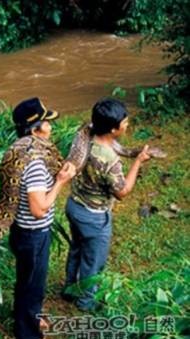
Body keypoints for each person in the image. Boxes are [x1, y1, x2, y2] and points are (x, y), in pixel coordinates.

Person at [62, 98, 151, 311]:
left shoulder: (87, 138)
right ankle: (86, 302)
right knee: (93, 262)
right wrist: (137, 162)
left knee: (76, 249)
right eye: (125, 122)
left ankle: (69, 289)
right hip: (94, 217)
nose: (127, 125)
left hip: (75, 206)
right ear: (113, 129)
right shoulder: (109, 159)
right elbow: (122, 192)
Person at [9, 98, 76, 339]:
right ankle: (28, 335)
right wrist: (60, 181)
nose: (51, 126)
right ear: (36, 130)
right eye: (47, 122)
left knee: (32, 279)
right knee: (30, 282)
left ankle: (33, 314)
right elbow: (38, 209)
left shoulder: (22, 151)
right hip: (32, 232)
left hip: (24, 230)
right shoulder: (35, 164)